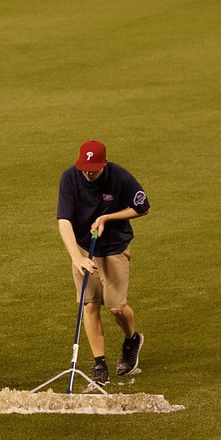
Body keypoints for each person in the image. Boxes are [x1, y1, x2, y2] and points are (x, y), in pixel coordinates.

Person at [57, 139, 149, 385]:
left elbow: (142, 206)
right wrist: (77, 258)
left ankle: (132, 340)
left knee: (117, 307)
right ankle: (100, 364)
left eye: (94, 168)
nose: (88, 172)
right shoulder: (69, 178)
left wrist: (109, 216)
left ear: (104, 163)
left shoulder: (120, 177)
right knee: (89, 304)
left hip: (114, 248)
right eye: (85, 167)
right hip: (83, 247)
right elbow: (64, 220)